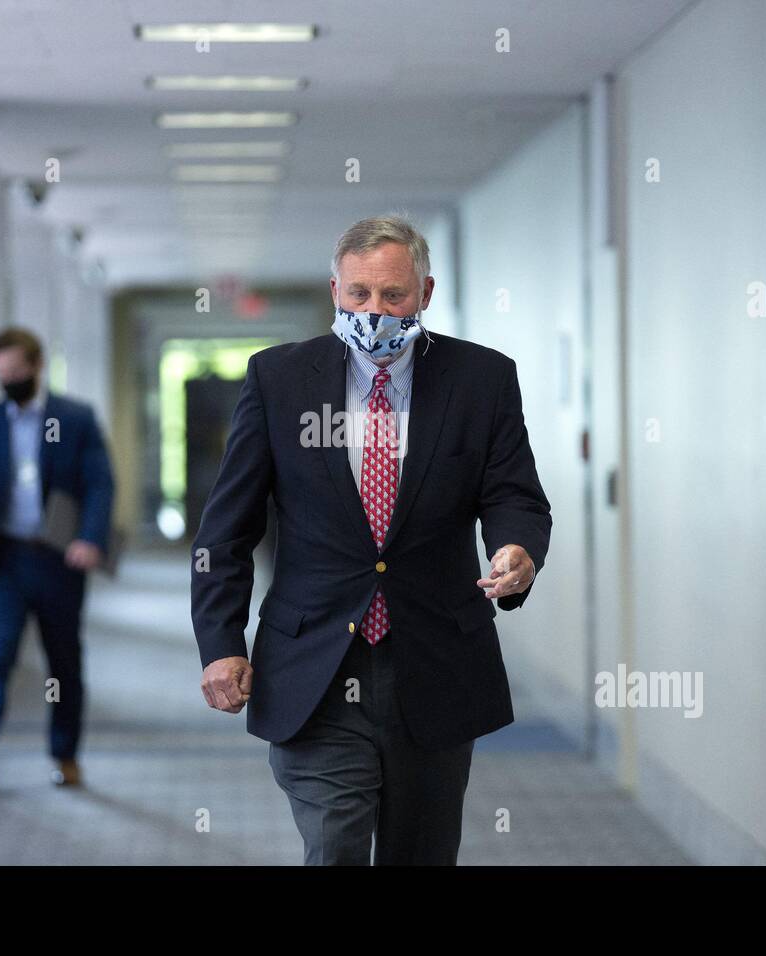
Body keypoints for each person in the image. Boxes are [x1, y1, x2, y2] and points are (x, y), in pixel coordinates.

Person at [190, 214, 552, 864]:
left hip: (436, 661)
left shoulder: (481, 380)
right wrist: (220, 644)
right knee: (335, 843)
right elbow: (227, 528)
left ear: (426, 292)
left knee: (422, 854)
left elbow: (512, 494)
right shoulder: (280, 381)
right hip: (315, 667)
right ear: (335, 290)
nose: (375, 311)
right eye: (358, 294)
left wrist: (516, 549)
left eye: (393, 295)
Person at [0, 327, 114, 792]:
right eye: (2, 374)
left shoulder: (75, 419)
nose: (10, 380)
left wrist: (90, 538)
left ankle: (65, 755)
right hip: (5, 560)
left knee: (63, 663)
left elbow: (100, 483)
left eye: (17, 371)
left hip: (58, 560)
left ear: (38, 366)